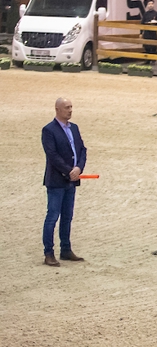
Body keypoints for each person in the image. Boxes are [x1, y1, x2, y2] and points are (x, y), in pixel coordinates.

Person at [41, 98, 88, 267]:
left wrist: (79, 168)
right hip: (57, 180)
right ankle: (48, 252)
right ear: (57, 109)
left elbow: (82, 149)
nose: (70, 110)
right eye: (67, 108)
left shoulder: (74, 128)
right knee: (52, 216)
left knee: (67, 217)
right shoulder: (49, 130)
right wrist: (69, 171)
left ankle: (66, 249)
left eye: (71, 107)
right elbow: (52, 155)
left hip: (72, 179)